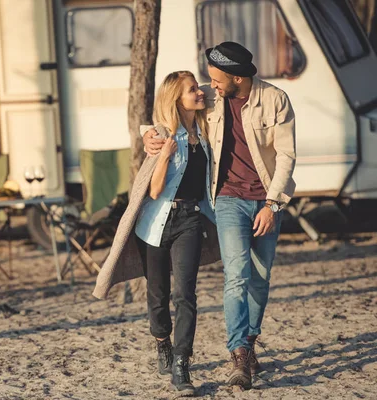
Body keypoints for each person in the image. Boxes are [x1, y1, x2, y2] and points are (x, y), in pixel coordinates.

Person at [142, 42, 296, 390]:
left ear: (237, 78)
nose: (210, 86)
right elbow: (168, 112)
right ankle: (238, 352)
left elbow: (286, 156)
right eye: (206, 81)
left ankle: (250, 340)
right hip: (227, 200)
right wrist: (147, 134)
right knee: (236, 276)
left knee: (260, 276)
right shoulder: (213, 99)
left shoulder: (275, 101)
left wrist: (273, 205)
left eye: (215, 80)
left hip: (267, 200)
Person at [93, 71, 218, 397]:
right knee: (158, 296)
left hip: (191, 220)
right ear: (177, 98)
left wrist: (197, 90)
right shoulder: (163, 135)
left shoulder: (204, 130)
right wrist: (162, 154)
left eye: (198, 88)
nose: (200, 93)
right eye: (192, 90)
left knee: (185, 294)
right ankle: (162, 343)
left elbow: (214, 91)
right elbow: (157, 188)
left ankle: (181, 363)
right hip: (156, 223)